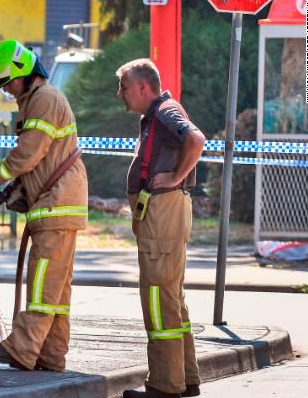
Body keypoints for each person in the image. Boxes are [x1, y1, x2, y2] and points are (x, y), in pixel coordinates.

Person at [0, 40, 88, 371]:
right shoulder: (37, 100)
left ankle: (23, 349)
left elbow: (28, 154)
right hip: (57, 203)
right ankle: (50, 355)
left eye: (9, 83)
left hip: (57, 205)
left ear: (25, 73)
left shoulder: (44, 99)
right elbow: (43, 160)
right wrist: (20, 190)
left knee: (41, 282)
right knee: (56, 290)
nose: (7, 91)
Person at [115, 59, 205, 398]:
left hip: (163, 212)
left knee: (157, 295)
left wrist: (176, 176)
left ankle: (165, 386)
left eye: (124, 87)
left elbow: (196, 139)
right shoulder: (158, 114)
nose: (120, 94)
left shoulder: (165, 111)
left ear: (143, 87)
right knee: (170, 295)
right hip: (164, 213)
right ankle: (185, 378)